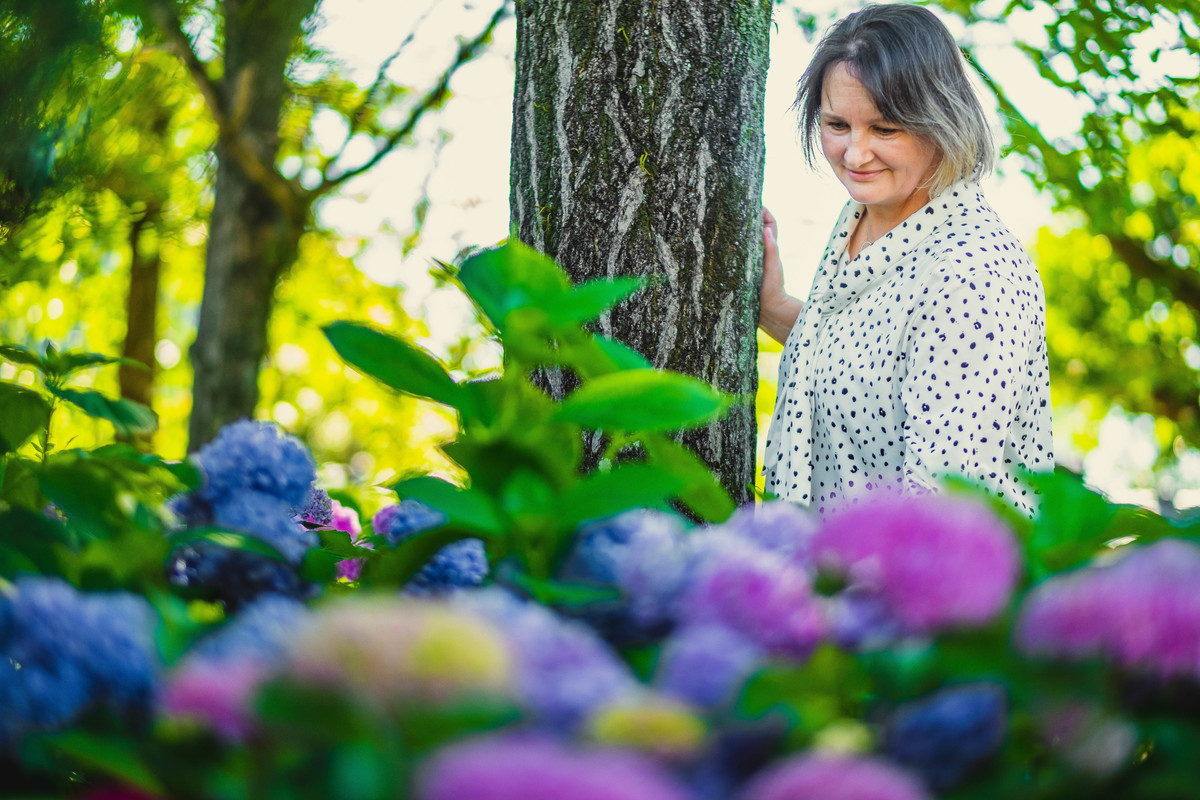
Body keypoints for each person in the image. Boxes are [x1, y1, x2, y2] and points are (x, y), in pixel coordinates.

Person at [759, 3, 1053, 516]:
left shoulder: (972, 273)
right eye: (837, 125)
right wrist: (774, 306)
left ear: (940, 121)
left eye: (885, 129)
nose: (855, 154)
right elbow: (871, 363)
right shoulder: (866, 215)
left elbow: (941, 505)